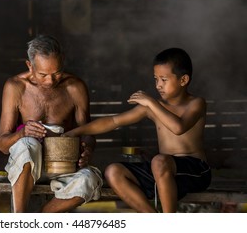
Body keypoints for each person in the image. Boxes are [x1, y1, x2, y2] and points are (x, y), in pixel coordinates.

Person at [63, 47, 211, 213]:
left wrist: (151, 103)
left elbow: (179, 128)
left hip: (195, 172)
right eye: (156, 79)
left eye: (164, 80)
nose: (158, 85)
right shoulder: (153, 107)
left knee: (159, 161)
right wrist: (76, 132)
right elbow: (113, 121)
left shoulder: (196, 103)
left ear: (183, 80)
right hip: (162, 173)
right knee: (113, 171)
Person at [0, 34, 102, 213]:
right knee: (27, 143)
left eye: (57, 73)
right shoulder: (15, 87)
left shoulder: (75, 87)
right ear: (30, 66)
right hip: (27, 168)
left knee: (90, 179)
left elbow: (88, 132)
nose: (50, 81)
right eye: (43, 74)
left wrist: (87, 149)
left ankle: (42, 218)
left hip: (64, 167)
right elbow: (2, 145)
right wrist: (23, 133)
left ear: (63, 62)